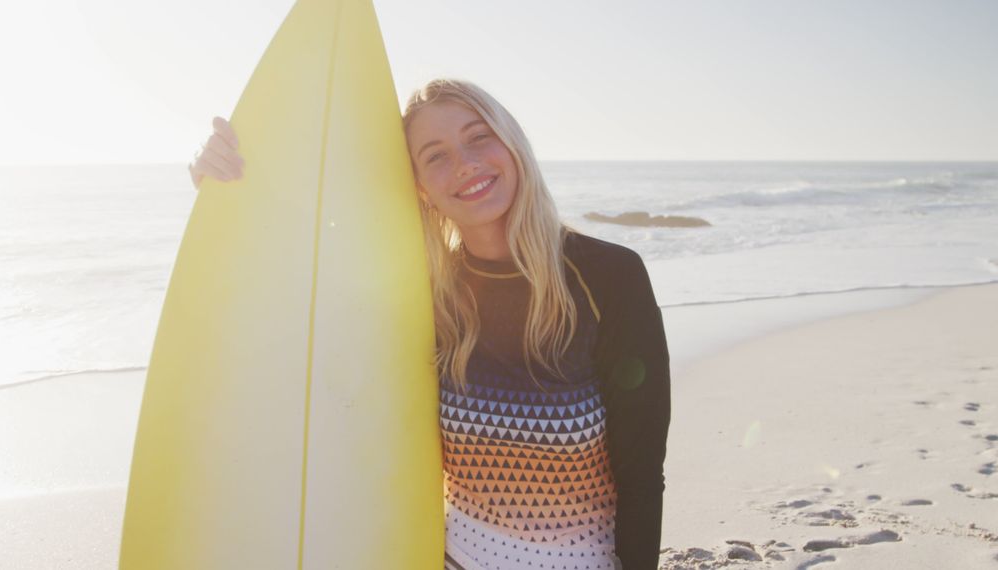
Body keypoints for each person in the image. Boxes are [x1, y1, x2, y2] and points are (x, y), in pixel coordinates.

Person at [189, 79, 670, 570]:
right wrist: (225, 196)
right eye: (435, 156)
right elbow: (285, 304)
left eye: (479, 137)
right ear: (419, 184)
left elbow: (642, 471)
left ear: (512, 142)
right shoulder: (423, 294)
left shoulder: (608, 277)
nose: (465, 164)